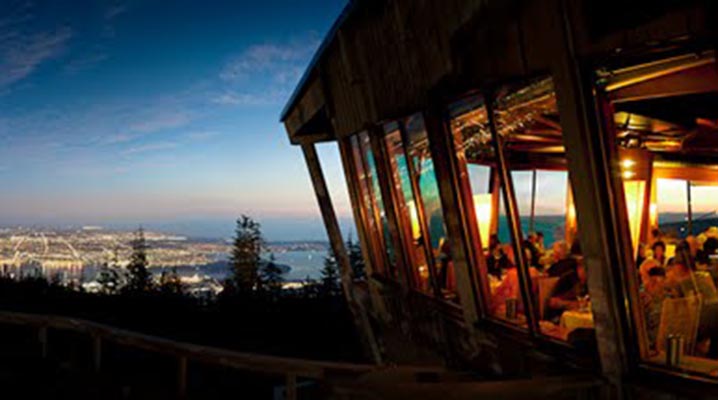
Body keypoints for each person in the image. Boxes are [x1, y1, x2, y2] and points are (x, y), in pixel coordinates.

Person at [545, 257, 588, 321]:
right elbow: (552, 302)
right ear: (579, 268)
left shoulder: (587, 282)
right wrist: (571, 304)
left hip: (579, 315)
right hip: (558, 318)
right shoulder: (567, 279)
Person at [640, 264, 667, 350]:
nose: (650, 285)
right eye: (651, 282)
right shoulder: (642, 297)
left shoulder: (667, 302)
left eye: (656, 282)